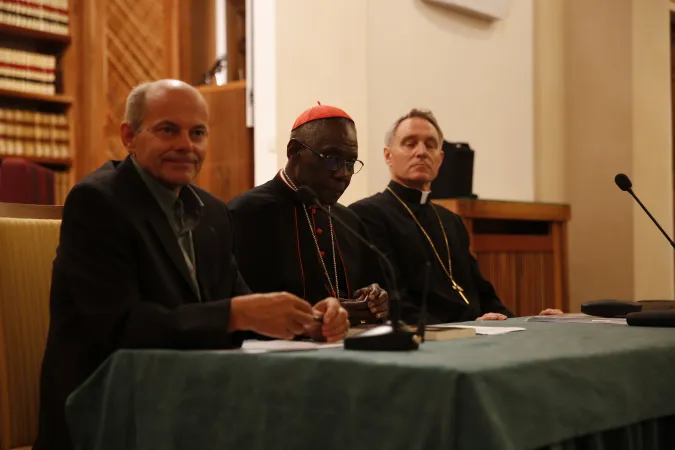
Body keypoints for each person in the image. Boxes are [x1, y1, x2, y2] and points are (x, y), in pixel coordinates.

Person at [34, 81, 348, 450]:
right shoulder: (98, 202)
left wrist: (308, 322)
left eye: (197, 133)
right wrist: (236, 314)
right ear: (129, 136)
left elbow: (243, 306)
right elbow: (122, 326)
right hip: (108, 408)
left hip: (191, 401)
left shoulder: (213, 211)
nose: (186, 145)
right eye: (168, 130)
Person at [350, 108, 562, 325]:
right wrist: (464, 329)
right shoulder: (367, 215)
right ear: (388, 155)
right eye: (410, 143)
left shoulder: (451, 221)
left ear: (440, 159)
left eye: (430, 145)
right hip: (430, 339)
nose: (421, 152)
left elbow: (483, 293)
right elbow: (395, 303)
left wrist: (526, 324)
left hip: (475, 333)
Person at [227, 103, 388, 325]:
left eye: (350, 163)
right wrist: (319, 314)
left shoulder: (348, 220)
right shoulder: (245, 213)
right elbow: (239, 306)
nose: (343, 174)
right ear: (294, 151)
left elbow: (372, 287)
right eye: (332, 159)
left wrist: (375, 299)